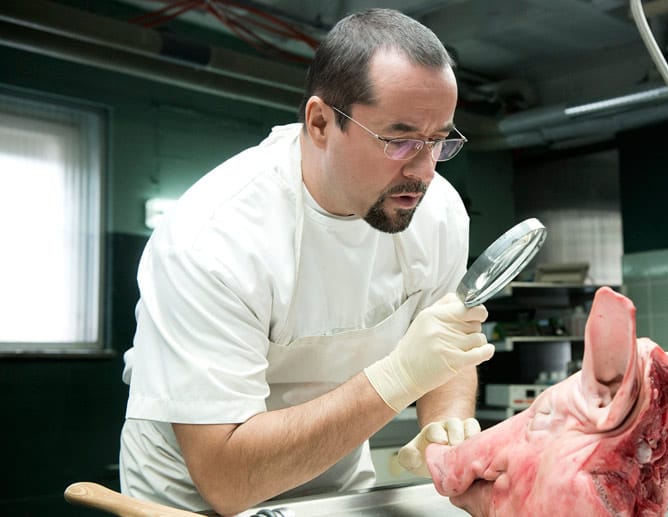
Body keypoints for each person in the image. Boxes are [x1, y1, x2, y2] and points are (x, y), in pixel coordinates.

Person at [118, 8, 494, 515]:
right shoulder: (213, 240)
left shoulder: (438, 213)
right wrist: (396, 378)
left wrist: (445, 426)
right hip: (193, 499)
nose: (424, 170)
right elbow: (226, 478)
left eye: (438, 141)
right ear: (320, 122)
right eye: (399, 140)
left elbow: (445, 351)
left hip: (334, 492)